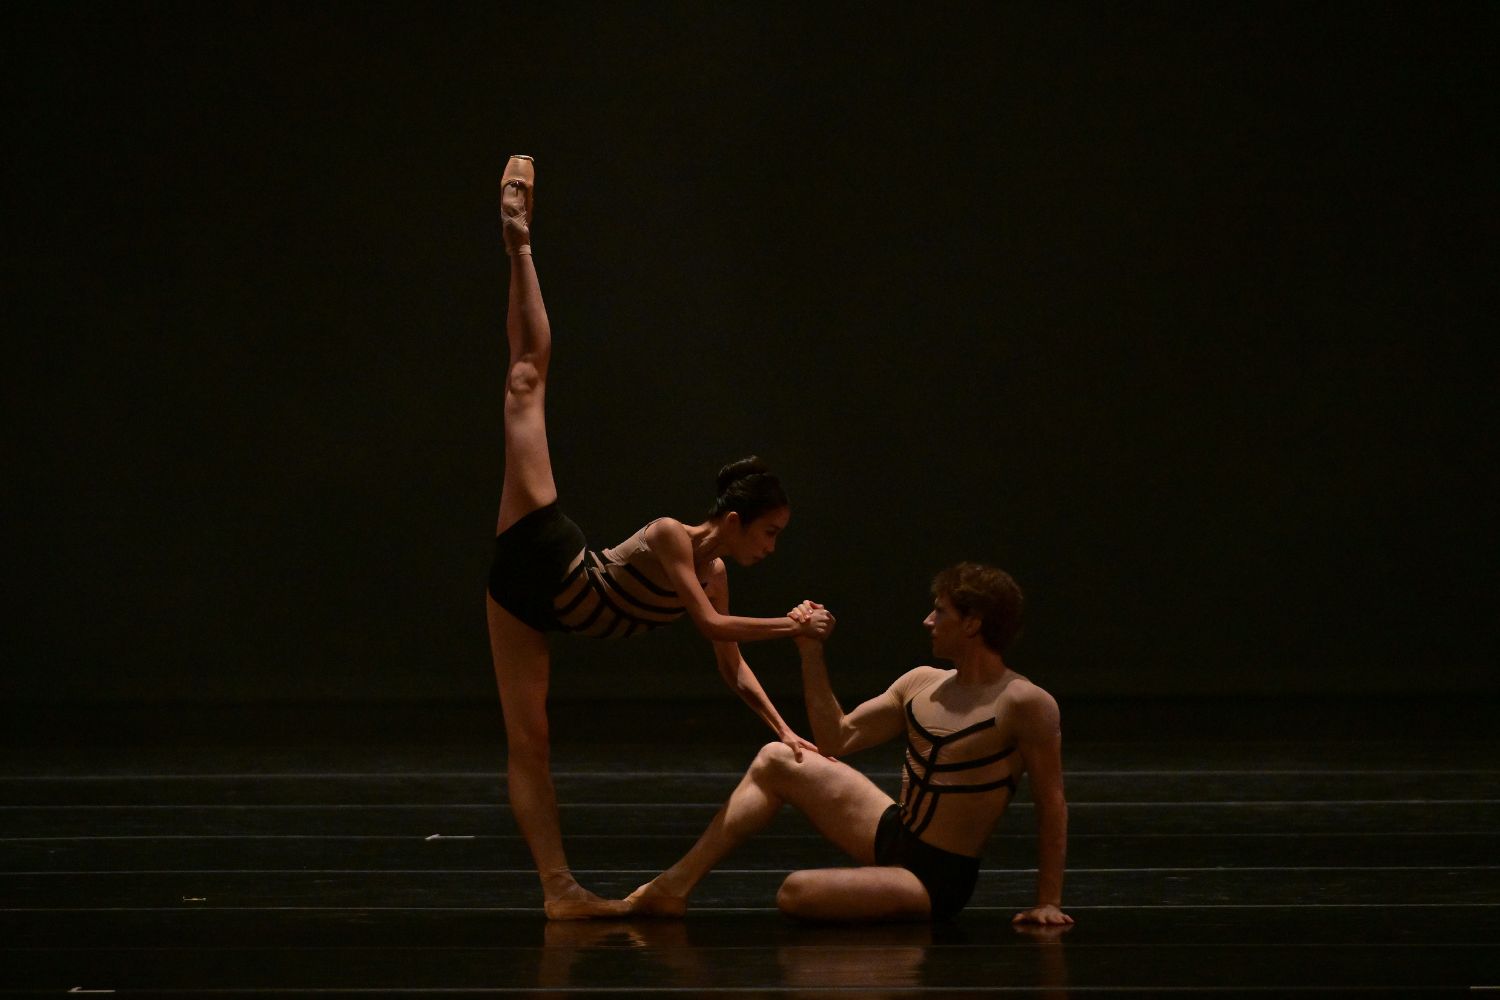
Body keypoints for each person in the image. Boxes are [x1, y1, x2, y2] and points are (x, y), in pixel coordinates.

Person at [488, 155, 830, 919]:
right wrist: (796, 625)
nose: (770, 549)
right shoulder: (677, 539)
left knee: (531, 745)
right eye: (768, 534)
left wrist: (786, 730)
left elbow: (729, 666)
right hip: (541, 556)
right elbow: (712, 627)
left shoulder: (715, 572)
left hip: (540, 610)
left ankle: (558, 895)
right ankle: (519, 243)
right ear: (735, 521)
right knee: (526, 376)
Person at [620, 563, 1073, 924]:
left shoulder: (1025, 702)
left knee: (795, 891)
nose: (928, 621)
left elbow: (1052, 804)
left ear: (973, 624)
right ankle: (673, 888)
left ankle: (883, 892)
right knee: (779, 758)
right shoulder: (921, 682)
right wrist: (810, 650)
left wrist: (1048, 901)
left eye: (941, 612)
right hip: (894, 832)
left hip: (935, 878)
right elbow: (835, 737)